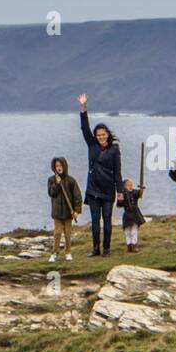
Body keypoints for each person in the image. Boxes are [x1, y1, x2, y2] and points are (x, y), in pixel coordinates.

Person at [77, 94, 122, 256]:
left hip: (109, 189)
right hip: (93, 189)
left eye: (103, 134)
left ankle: (107, 249)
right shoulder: (92, 145)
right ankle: (95, 249)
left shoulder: (114, 150)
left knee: (107, 220)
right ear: (95, 137)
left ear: (108, 135)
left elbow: (118, 171)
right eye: (98, 135)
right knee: (95, 220)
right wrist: (83, 108)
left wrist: (120, 191)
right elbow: (84, 128)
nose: (101, 137)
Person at [47, 156, 82, 263]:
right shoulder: (51, 180)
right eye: (57, 166)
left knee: (67, 233)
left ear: (65, 166)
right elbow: (51, 193)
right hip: (57, 213)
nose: (59, 168)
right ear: (54, 167)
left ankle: (68, 252)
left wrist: (77, 210)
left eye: (61, 165)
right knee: (57, 233)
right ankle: (55, 253)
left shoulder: (71, 180)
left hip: (68, 213)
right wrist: (57, 184)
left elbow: (77, 196)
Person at [117, 177, 145, 252]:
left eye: (131, 185)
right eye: (128, 185)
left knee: (134, 230)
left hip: (135, 214)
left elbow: (139, 194)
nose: (130, 187)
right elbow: (119, 205)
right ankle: (129, 245)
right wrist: (120, 197)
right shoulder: (122, 194)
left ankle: (134, 244)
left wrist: (142, 189)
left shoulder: (134, 192)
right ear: (124, 187)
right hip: (127, 215)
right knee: (127, 231)